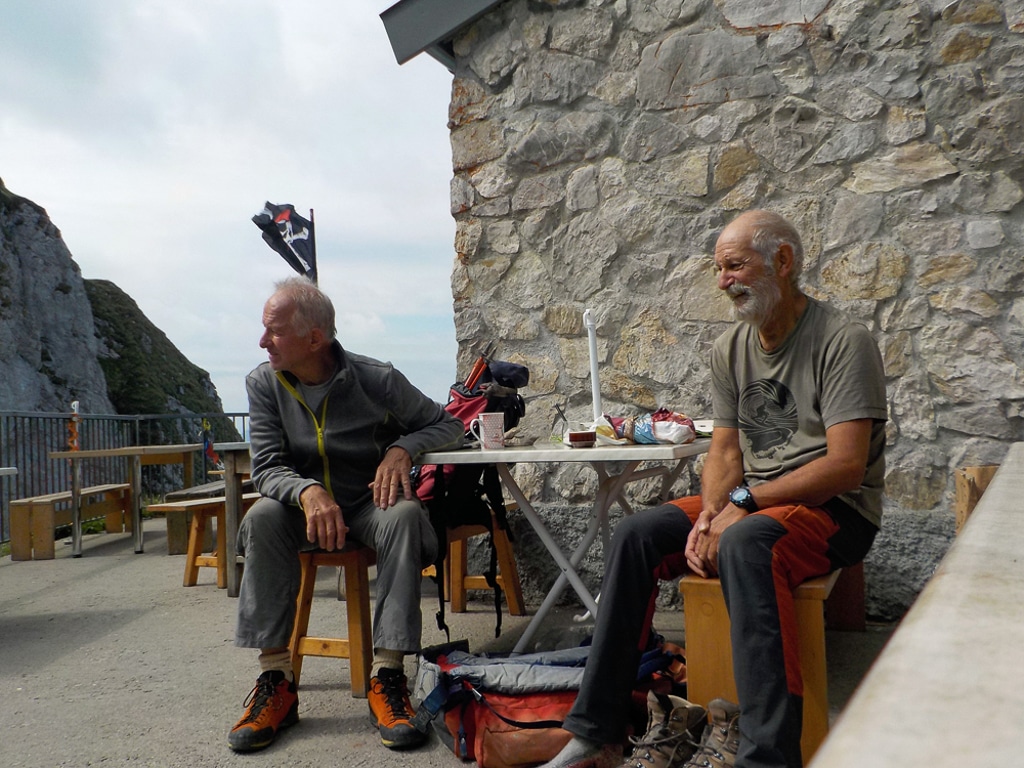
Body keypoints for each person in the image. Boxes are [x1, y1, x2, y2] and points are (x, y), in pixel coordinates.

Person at [540, 210, 887, 768]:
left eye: (734, 266)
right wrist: (708, 515)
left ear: (783, 261)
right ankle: (598, 730)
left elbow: (845, 467)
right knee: (636, 533)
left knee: (748, 545)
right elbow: (725, 451)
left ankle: (767, 756)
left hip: (836, 510)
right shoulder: (731, 347)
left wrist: (742, 506)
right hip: (758, 501)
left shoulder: (843, 341)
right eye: (719, 268)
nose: (723, 280)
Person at [227, 276, 464, 753]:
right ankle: (276, 680)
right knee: (261, 517)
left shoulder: (378, 379)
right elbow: (268, 466)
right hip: (303, 510)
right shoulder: (263, 382)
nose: (261, 341)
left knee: (402, 517)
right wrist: (308, 490)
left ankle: (389, 676)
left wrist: (403, 447)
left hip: (367, 505)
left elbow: (450, 424)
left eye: (273, 330)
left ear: (315, 339)